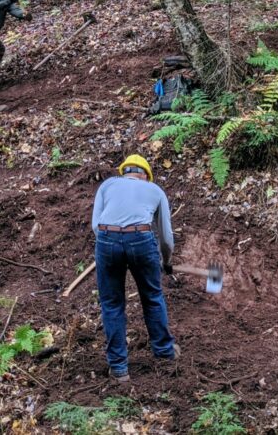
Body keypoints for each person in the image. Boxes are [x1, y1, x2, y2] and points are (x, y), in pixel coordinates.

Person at [91, 154, 179, 383]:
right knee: (152, 297)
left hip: (106, 237)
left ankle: (119, 369)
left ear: (124, 173)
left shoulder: (107, 185)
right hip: (141, 238)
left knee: (112, 304)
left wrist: (110, 245)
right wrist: (166, 261)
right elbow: (166, 238)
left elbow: (95, 226)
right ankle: (165, 351)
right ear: (145, 176)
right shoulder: (155, 190)